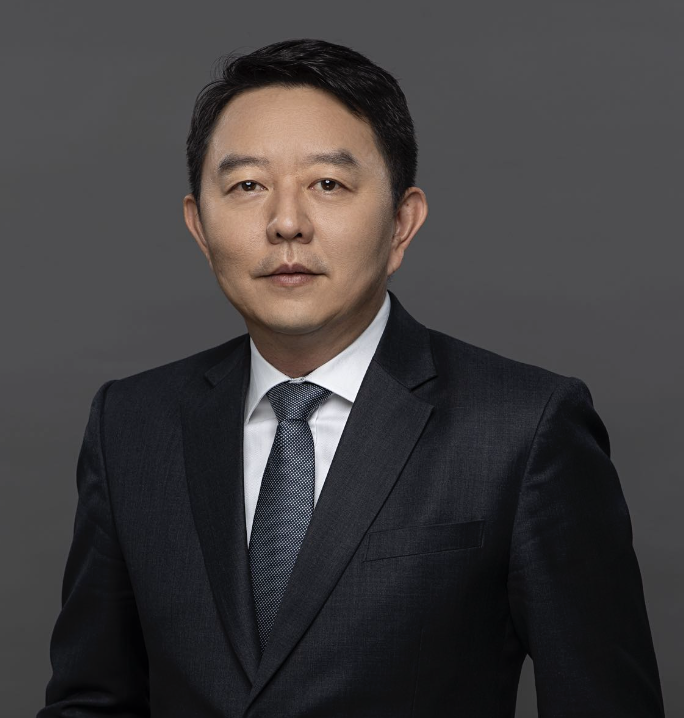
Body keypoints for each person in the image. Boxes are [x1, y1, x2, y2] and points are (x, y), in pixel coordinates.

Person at [38, 38, 665, 717]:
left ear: (401, 223)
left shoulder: (523, 426)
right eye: (247, 186)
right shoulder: (132, 424)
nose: (286, 224)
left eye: (328, 185)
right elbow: (91, 702)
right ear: (199, 225)